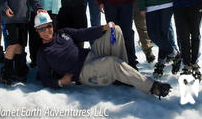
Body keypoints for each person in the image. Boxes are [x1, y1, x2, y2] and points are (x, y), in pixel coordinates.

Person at [35, 12, 171, 99]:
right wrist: (60, 82)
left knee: (115, 30)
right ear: (37, 31)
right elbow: (45, 79)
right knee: (112, 62)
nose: (47, 31)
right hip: (84, 72)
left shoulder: (62, 32)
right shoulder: (42, 53)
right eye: (42, 28)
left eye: (48, 26)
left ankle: (122, 76)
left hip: (92, 54)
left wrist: (104, 28)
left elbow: (83, 33)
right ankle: (152, 87)